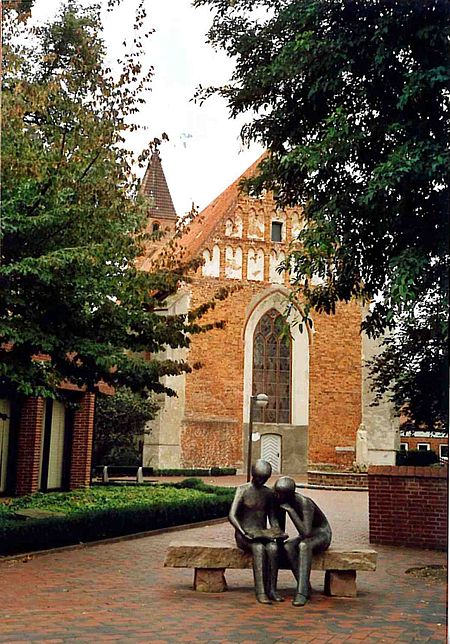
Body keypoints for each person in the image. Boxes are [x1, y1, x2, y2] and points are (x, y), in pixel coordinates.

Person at [228, 459, 287, 604]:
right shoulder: (243, 490)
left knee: (273, 548)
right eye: (259, 477)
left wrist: (276, 531)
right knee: (259, 548)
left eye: (265, 478)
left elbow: (272, 517)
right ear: (253, 475)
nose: (262, 481)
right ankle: (260, 591)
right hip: (245, 534)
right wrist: (243, 532)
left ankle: (272, 589)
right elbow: (232, 515)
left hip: (261, 533)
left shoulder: (268, 494)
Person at [274, 476, 332, 607]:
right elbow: (280, 530)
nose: (277, 496)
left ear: (288, 495)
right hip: (309, 533)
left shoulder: (305, 503)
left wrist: (291, 510)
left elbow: (306, 533)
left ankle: (302, 593)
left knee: (304, 546)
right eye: (276, 492)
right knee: (288, 546)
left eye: (280, 494)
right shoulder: (280, 501)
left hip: (322, 533)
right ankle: (305, 584)